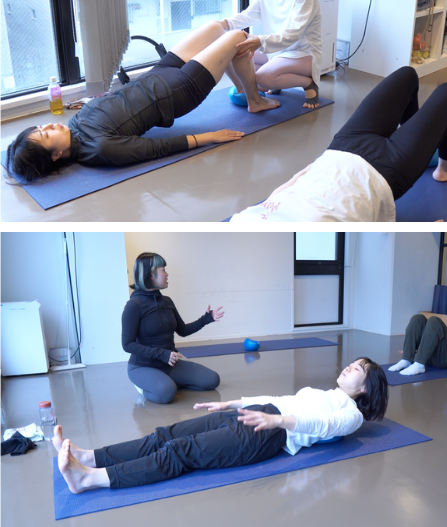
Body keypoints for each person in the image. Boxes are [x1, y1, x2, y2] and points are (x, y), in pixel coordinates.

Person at [54, 358, 387, 493]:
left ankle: (89, 479)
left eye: (358, 368)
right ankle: (92, 456)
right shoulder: (323, 392)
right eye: (352, 363)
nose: (349, 367)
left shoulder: (351, 414)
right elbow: (279, 397)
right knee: (166, 434)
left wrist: (276, 420)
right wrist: (232, 403)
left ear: (366, 387)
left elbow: (324, 426)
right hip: (258, 412)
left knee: (179, 451)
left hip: (270, 433)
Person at [3, 19, 263, 182]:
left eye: (42, 127)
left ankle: (242, 87)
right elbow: (157, 148)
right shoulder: (100, 149)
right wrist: (212, 136)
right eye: (46, 134)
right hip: (179, 91)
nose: (50, 125)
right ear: (56, 155)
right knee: (238, 38)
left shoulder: (74, 125)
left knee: (216, 27)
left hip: (159, 72)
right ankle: (253, 100)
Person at [229, 66, 447, 222]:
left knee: (406, 75)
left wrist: (309, 169)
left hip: (339, 151)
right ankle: (441, 167)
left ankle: (418, 142)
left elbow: (274, 198)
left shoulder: (239, 222)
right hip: (382, 173)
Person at [222, 0, 323, 109]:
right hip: (278, 50)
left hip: (302, 53)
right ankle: (273, 83)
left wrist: (260, 41)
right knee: (232, 53)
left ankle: (308, 83)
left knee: (262, 77)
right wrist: (223, 24)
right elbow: (249, 15)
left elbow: (294, 33)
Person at [123, 252, 225, 404]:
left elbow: (182, 330)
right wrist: (162, 354)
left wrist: (206, 319)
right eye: (163, 270)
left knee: (212, 380)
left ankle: (167, 381)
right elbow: (127, 344)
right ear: (151, 275)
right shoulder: (133, 306)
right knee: (167, 393)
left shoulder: (167, 302)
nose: (167, 274)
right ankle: (143, 387)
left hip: (169, 365)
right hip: (143, 367)